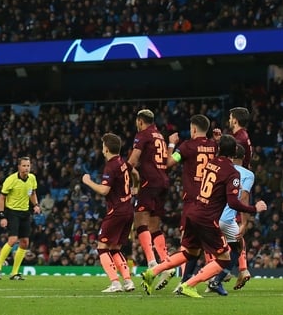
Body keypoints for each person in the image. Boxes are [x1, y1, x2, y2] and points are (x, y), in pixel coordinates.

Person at [142, 135, 267, 298]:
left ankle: (152, 272)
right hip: (207, 218)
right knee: (224, 258)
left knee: (190, 253)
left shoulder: (211, 163)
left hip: (194, 211)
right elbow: (233, 203)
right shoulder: (232, 172)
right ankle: (189, 285)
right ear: (235, 151)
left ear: (219, 149)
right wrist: (254, 208)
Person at [163, 114, 217, 292]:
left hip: (192, 203)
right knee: (200, 245)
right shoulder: (214, 146)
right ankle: (188, 281)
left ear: (193, 129)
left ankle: (176, 275)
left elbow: (168, 162)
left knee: (187, 245)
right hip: (211, 202)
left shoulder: (187, 147)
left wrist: (171, 143)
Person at [81, 132, 136, 293]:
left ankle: (115, 283)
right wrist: (136, 188)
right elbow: (135, 174)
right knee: (115, 249)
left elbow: (104, 190)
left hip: (117, 211)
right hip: (128, 210)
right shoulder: (123, 162)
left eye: (103, 146)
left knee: (102, 247)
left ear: (106, 148)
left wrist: (88, 182)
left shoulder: (111, 165)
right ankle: (128, 281)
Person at [207, 143, 255, 296]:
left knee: (211, 249)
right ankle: (218, 278)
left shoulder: (220, 168)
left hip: (210, 215)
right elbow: (244, 196)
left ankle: (188, 279)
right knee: (237, 248)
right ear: (243, 157)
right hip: (227, 218)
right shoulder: (247, 174)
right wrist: (244, 222)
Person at [127, 109, 170, 272]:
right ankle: (166, 262)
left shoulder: (143, 135)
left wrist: (121, 173)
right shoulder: (160, 136)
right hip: (163, 182)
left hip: (149, 182)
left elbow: (133, 159)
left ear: (140, 121)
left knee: (140, 221)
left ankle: (152, 262)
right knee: (154, 225)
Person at [0, 156, 41, 280]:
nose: (26, 168)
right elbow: (2, 198)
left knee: (25, 242)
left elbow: (33, 193)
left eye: (28, 166)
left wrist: (35, 205)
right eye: (24, 166)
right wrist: (2, 215)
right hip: (12, 212)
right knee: (13, 239)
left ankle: (14, 272)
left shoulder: (32, 179)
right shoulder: (11, 180)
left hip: (25, 212)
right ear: (19, 167)